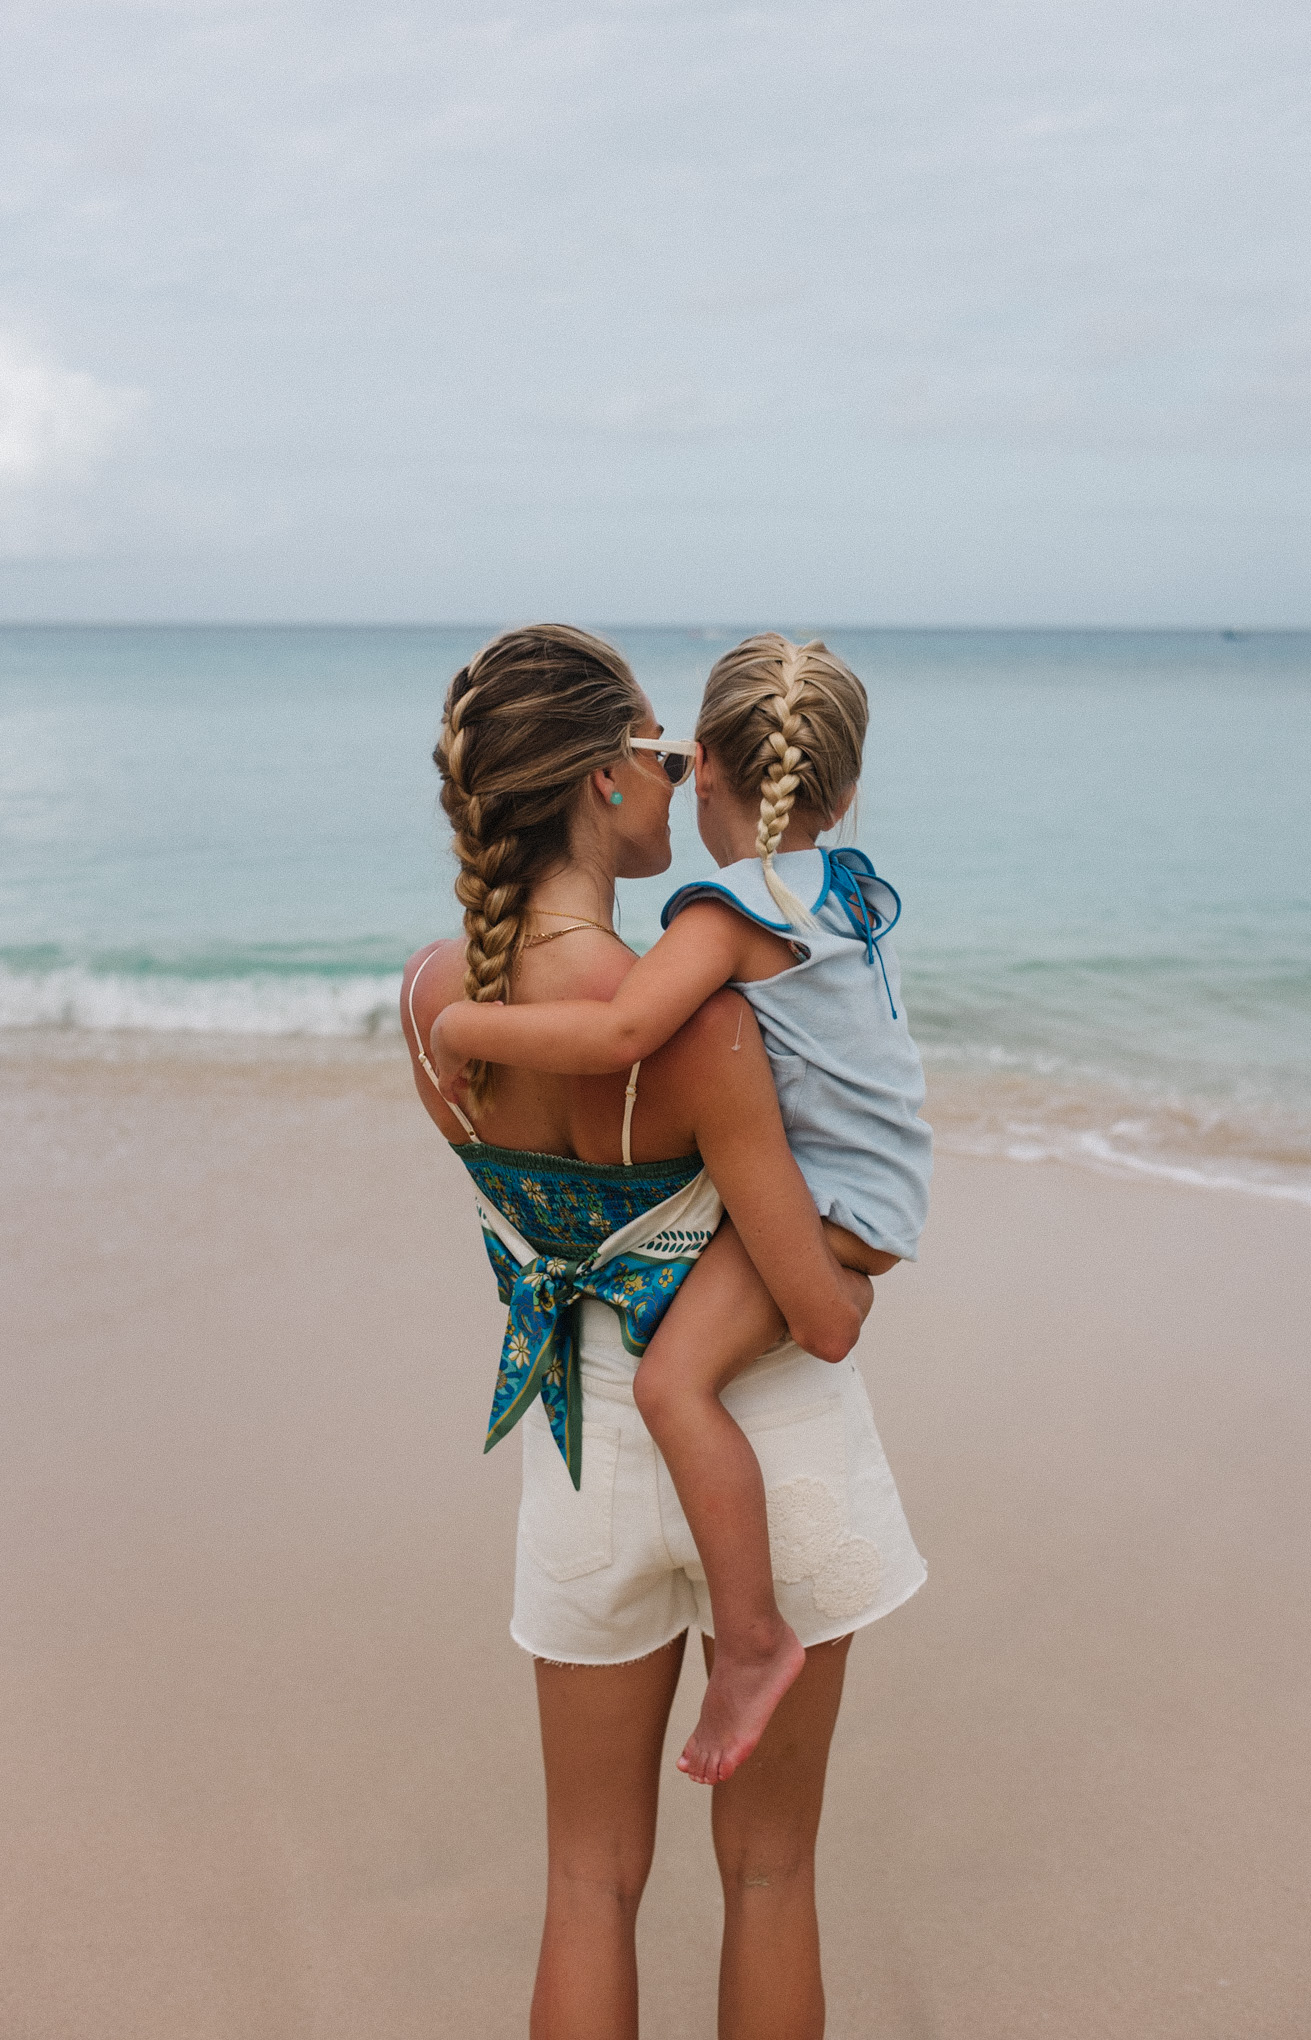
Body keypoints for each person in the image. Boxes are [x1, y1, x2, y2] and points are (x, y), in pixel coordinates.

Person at [403, 623, 926, 2040]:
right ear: (599, 786)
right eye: (650, 747)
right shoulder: (709, 1023)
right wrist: (854, 1278)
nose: (670, 768)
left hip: (580, 1454)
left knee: (586, 1881)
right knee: (769, 1874)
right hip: (772, 1446)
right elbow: (818, 1315)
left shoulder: (436, 998)